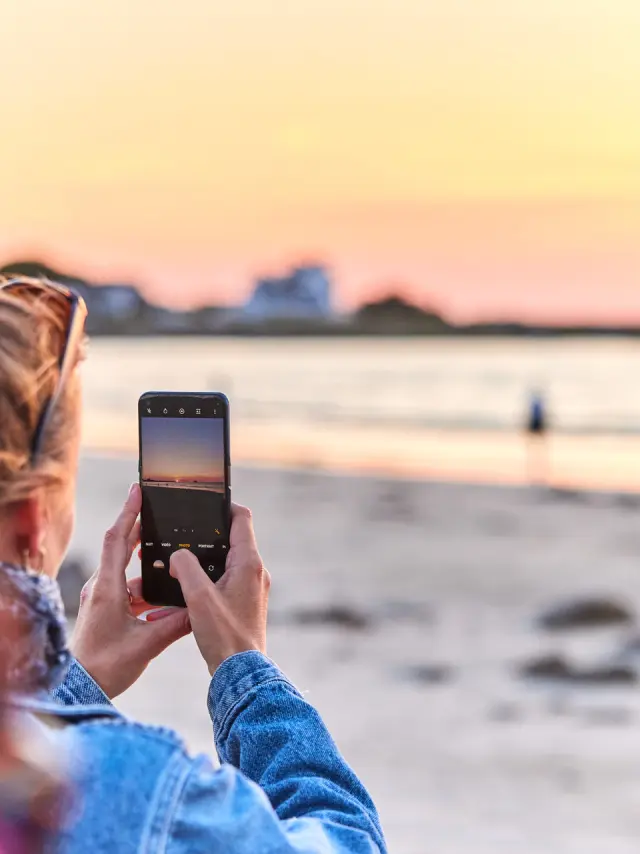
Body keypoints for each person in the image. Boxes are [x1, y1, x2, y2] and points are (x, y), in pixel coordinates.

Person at [0, 276, 386, 853]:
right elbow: (347, 839)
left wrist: (73, 686)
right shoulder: (137, 790)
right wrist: (245, 670)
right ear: (32, 523)